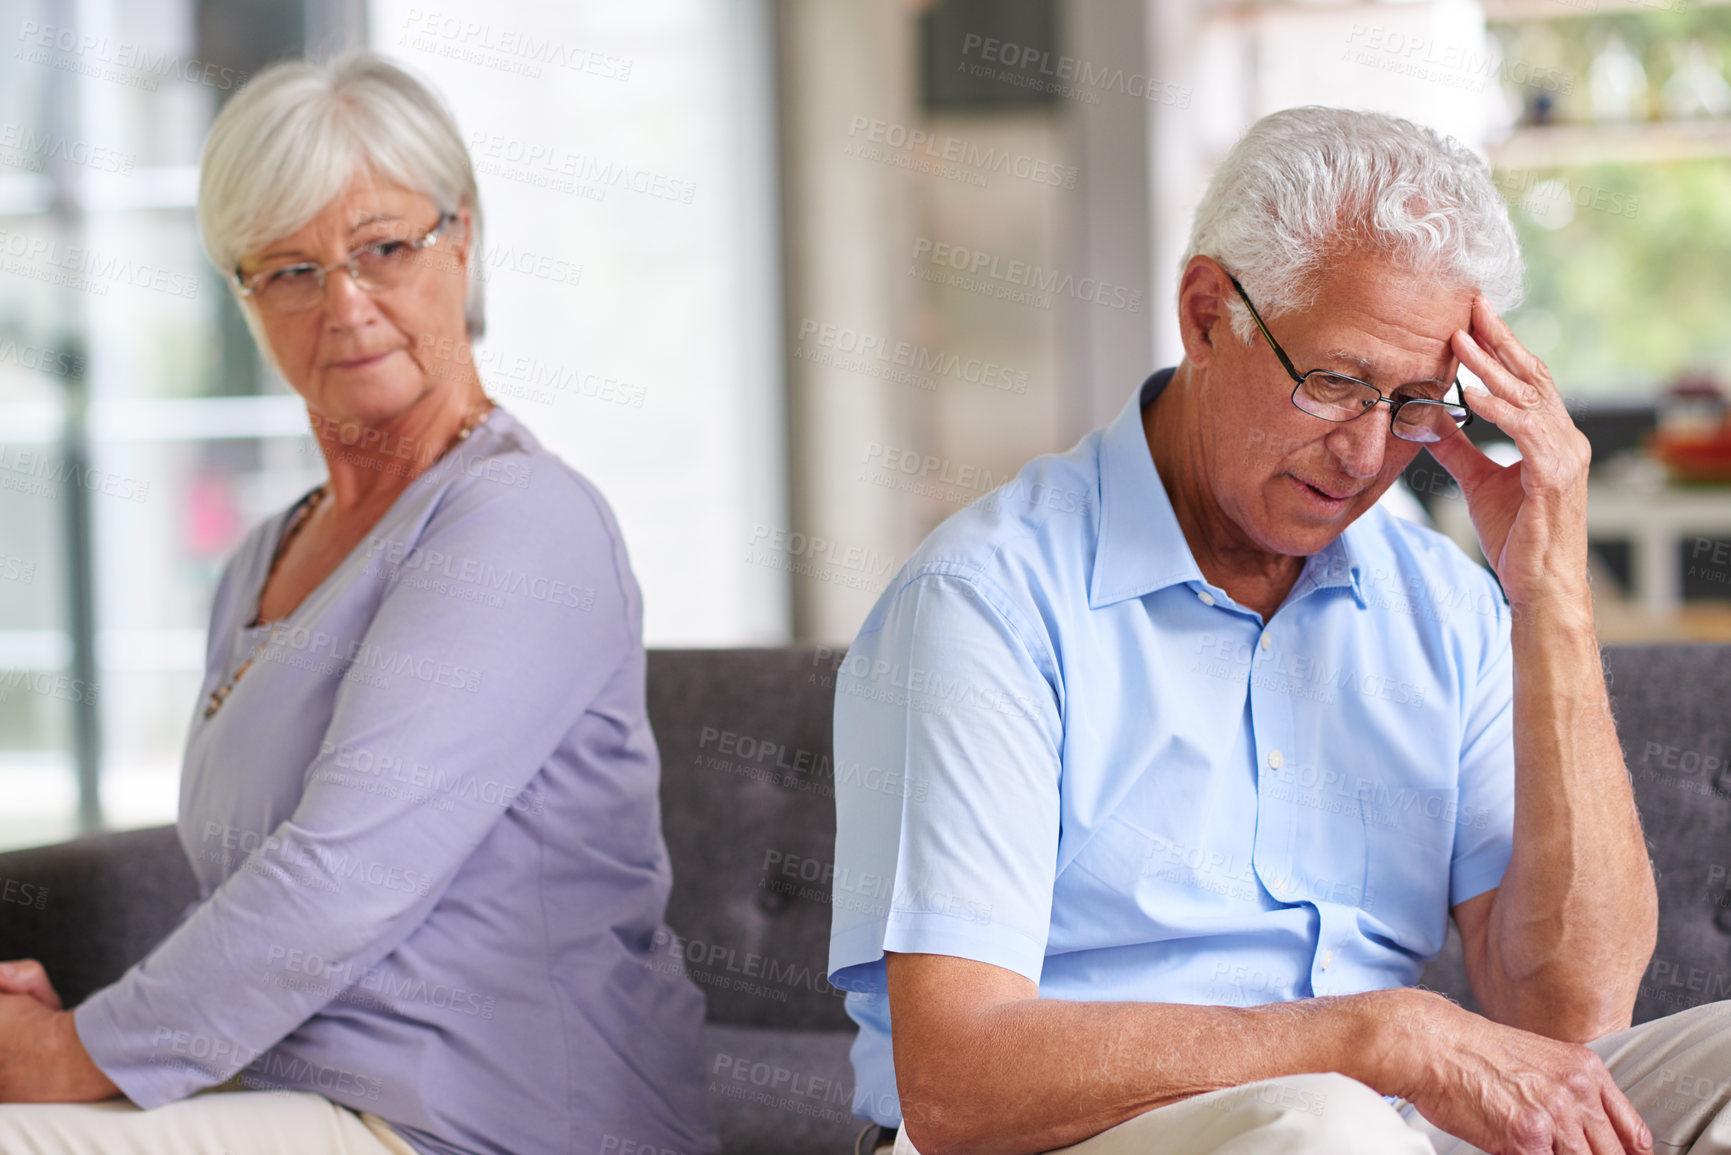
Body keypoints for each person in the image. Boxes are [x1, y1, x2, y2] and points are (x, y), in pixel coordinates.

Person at [828, 107, 1731, 1155]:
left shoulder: (1443, 603)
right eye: (1336, 382)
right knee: (1325, 1123)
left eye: (1417, 404)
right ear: (1209, 314)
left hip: (1384, 1131)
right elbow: (955, 1084)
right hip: (1086, 1140)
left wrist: (1553, 602)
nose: (1363, 456)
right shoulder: (987, 601)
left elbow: (1570, 1025)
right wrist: (1373, 1037)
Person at [0, 52, 718, 1155]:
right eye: (286, 269)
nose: (344, 302)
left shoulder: (523, 521)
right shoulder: (261, 557)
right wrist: (77, 1048)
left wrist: (79, 1054)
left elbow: (341, 880)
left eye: (382, 247)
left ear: (462, 239)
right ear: (243, 298)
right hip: (296, 1103)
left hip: (486, 1124)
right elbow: (243, 901)